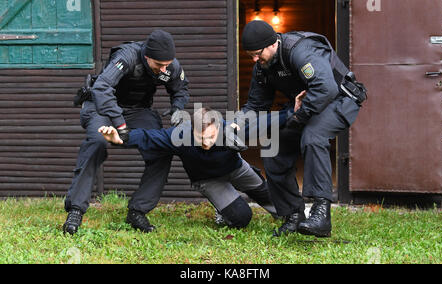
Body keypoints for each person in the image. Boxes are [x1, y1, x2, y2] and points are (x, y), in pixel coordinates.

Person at [240, 20, 366, 237]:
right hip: (308, 106)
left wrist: (298, 117)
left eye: (257, 53)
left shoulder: (300, 51)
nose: (254, 59)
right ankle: (293, 216)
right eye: (250, 55)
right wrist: (235, 124)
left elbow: (325, 88)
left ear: (272, 44)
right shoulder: (263, 67)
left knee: (313, 136)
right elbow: (256, 105)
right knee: (273, 148)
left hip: (340, 98)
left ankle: (321, 214)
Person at [63, 30, 190, 235]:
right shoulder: (127, 56)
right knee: (97, 142)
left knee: (162, 147)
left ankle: (138, 210)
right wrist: (120, 125)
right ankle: (76, 209)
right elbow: (102, 88)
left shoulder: (169, 65)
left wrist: (178, 107)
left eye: (167, 64)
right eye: (159, 65)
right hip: (101, 107)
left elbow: (181, 88)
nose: (164, 69)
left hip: (137, 110)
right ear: (147, 56)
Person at [98, 107, 286, 229]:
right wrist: (119, 139)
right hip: (207, 179)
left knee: (276, 202)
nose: (206, 142)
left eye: (211, 137)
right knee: (242, 218)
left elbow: (266, 121)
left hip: (236, 168)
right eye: (200, 137)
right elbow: (148, 137)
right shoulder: (179, 136)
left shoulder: (230, 129)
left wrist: (293, 112)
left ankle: (284, 215)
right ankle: (222, 209)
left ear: (219, 128)